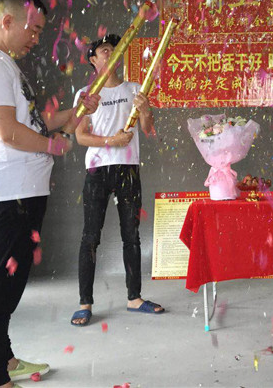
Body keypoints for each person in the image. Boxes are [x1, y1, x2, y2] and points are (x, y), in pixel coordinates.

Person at [0, 0, 100, 388]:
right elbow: (9, 132)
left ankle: (3, 359)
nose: (37, 39)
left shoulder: (4, 64)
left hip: (24, 190)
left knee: (11, 283)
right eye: (33, 30)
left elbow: (35, 120)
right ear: (7, 21)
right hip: (10, 192)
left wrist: (76, 112)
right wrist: (53, 147)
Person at [70, 34, 164, 327]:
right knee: (90, 237)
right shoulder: (86, 94)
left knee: (131, 235)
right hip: (97, 170)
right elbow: (80, 136)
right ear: (93, 59)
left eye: (114, 49)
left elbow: (147, 129)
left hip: (128, 169)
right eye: (104, 51)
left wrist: (145, 110)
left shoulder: (135, 89)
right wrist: (112, 140)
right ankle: (85, 303)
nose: (111, 54)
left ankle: (134, 298)